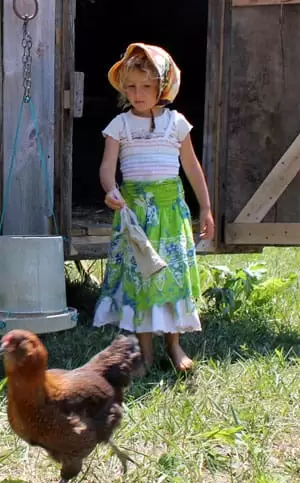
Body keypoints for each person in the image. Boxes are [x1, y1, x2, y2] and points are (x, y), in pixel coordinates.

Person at [92, 43, 215, 372]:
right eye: (130, 86)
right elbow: (107, 167)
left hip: (170, 213)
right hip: (137, 217)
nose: (137, 93)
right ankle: (145, 355)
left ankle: (174, 346)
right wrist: (110, 190)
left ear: (162, 87)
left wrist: (205, 207)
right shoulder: (120, 125)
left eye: (145, 86)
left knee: (171, 274)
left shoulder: (176, 123)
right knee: (142, 279)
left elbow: (191, 166)